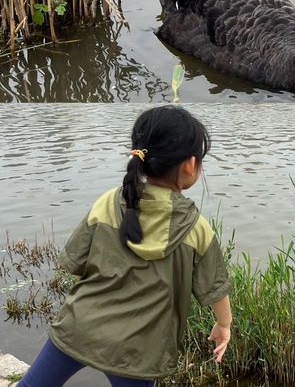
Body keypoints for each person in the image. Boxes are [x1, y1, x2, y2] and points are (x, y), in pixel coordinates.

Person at [17, 106, 232, 387]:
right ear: (190, 165)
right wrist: (224, 324)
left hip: (79, 328)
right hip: (137, 351)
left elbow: (73, 262)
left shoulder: (108, 201)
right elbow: (215, 287)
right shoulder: (196, 227)